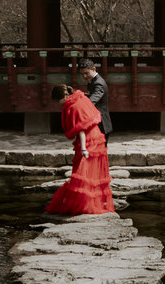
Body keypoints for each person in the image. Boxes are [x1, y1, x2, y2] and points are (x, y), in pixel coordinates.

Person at [45, 84, 115, 215]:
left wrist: (83, 148)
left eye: (58, 100)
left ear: (65, 96)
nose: (58, 104)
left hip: (88, 140)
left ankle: (85, 204)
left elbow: (81, 128)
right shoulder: (81, 98)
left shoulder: (73, 106)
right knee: (92, 172)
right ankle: (92, 202)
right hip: (97, 136)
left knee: (83, 172)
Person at [78, 58, 112, 136]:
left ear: (93, 69)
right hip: (97, 122)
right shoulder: (93, 81)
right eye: (82, 74)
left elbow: (91, 101)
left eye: (86, 73)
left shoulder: (98, 83)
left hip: (101, 124)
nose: (84, 76)